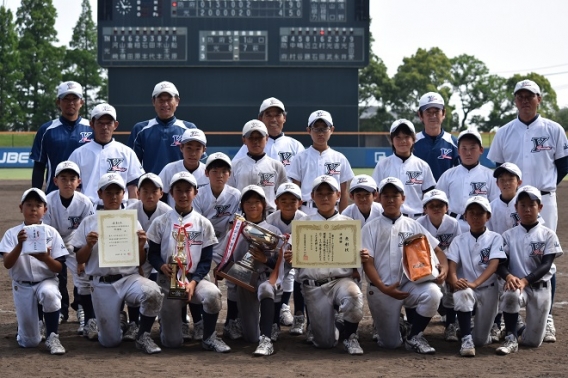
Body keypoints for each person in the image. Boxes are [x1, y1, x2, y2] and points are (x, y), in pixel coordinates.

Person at [487, 79, 568, 342]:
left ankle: (546, 318)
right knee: (505, 252)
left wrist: (538, 196)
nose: (524, 100)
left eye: (529, 96)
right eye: (520, 96)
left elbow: (563, 165)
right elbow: (499, 168)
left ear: (539, 99)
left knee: (544, 256)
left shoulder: (554, 129)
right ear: (514, 100)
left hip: (543, 198)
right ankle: (503, 316)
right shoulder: (505, 131)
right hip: (511, 201)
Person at [72, 174, 163, 354]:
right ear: (100, 194)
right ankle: (116, 318)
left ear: (124, 194)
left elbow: (140, 260)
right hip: (102, 283)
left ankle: (142, 334)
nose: (113, 197)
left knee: (153, 292)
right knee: (110, 342)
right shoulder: (89, 222)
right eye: (109, 192)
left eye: (118, 192)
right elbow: (80, 259)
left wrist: (139, 245)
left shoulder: (130, 221)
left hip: (128, 278)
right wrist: (88, 245)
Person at [361, 177, 448, 354]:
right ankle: (399, 325)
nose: (391, 199)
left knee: (433, 293)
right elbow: (367, 263)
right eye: (386, 195)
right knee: (390, 344)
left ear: (403, 198)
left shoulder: (412, 225)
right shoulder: (370, 227)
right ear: (379, 198)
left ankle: (414, 336)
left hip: (410, 284)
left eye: (395, 195)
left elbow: (438, 251)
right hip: (381, 288)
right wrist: (384, 288)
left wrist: (444, 268)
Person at [147, 171, 231, 352]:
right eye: (179, 190)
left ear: (196, 193)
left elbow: (206, 260)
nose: (183, 195)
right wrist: (161, 266)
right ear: (171, 192)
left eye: (188, 190)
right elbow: (152, 254)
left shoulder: (203, 223)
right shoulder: (160, 222)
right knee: (172, 343)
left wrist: (193, 283)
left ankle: (209, 337)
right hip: (168, 281)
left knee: (213, 295)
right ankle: (169, 324)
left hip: (196, 279)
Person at [295, 175, 365, 355]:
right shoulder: (303, 224)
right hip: (314, 287)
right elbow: (293, 259)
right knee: (325, 343)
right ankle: (337, 322)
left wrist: (360, 257)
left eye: (329, 193)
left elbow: (357, 260)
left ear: (338, 195)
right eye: (320, 193)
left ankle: (350, 336)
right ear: (312, 195)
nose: (325, 198)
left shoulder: (349, 225)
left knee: (353, 295)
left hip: (340, 281)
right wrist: (290, 256)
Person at [214, 185, 285, 356]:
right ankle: (245, 326)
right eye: (248, 202)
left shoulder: (273, 231)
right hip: (243, 281)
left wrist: (266, 259)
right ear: (242, 206)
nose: (252, 205)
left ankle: (267, 338)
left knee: (267, 290)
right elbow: (218, 255)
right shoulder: (235, 231)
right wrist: (225, 270)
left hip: (265, 278)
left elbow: (281, 264)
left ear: (263, 205)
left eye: (256, 202)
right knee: (251, 336)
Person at [495, 186, 563, 355]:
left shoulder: (548, 235)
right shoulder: (508, 235)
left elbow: (546, 265)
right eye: (522, 205)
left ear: (540, 207)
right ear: (516, 208)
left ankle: (521, 329)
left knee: (532, 342)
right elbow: (500, 264)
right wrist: (509, 276)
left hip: (540, 288)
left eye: (531, 205)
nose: (527, 209)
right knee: (510, 295)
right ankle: (510, 336)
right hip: (517, 286)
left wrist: (526, 280)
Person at [0, 188, 68, 354]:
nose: (33, 208)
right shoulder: (12, 234)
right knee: (29, 342)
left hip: (47, 281)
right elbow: (7, 264)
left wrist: (45, 258)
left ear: (45, 209)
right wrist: (19, 245)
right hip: (22, 285)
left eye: (38, 205)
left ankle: (53, 335)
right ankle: (28, 327)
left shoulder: (52, 233)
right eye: (29, 204)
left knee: (51, 294)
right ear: (20, 207)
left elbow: (59, 268)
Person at [446, 196, 505, 357]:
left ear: (488, 216)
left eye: (480, 213)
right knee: (462, 293)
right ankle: (465, 337)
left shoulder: (495, 238)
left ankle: (468, 330)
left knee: (481, 340)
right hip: (467, 287)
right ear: (465, 216)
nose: (476, 217)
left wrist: (475, 283)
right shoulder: (459, 240)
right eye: (471, 213)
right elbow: (451, 266)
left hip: (489, 289)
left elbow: (494, 265)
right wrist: (454, 280)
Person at [42, 161, 95, 335]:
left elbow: (88, 229)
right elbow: (47, 231)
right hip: (54, 239)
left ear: (79, 181)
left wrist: (82, 258)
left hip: (75, 240)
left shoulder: (85, 202)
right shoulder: (48, 200)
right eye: (63, 178)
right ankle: (60, 311)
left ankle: (85, 315)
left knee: (84, 276)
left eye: (72, 178)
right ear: (55, 181)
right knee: (54, 275)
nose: (68, 182)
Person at [124, 173, 172, 341]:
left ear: (161, 193)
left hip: (161, 253)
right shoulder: (129, 212)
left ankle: (173, 317)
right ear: (138, 193)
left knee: (166, 279)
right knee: (133, 275)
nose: (150, 195)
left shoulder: (168, 212)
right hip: (138, 252)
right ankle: (133, 322)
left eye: (154, 191)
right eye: (145, 190)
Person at [68, 103, 144, 207]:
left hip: (120, 210)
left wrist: (133, 211)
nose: (104, 127)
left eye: (109, 123)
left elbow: (133, 186)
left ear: (115, 125)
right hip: (89, 209)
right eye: (100, 123)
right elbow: (75, 188)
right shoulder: (78, 154)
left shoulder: (127, 152)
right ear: (92, 124)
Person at [31, 81, 93, 194]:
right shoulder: (46, 130)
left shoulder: (92, 128)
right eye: (66, 99)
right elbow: (39, 166)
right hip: (53, 195)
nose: (71, 103)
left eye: (75, 99)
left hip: (86, 197)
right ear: (58, 102)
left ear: (82, 102)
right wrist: (36, 194)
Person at [416, 189, 461, 342]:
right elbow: (417, 252)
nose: (436, 208)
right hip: (426, 264)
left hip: (448, 261)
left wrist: (448, 269)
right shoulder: (419, 224)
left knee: (452, 287)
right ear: (425, 209)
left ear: (446, 208)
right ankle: (415, 322)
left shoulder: (453, 223)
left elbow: (457, 247)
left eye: (440, 205)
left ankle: (450, 324)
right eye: (431, 205)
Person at [288, 110, 354, 215]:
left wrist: (342, 216)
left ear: (332, 130)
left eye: (324, 128)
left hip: (333, 210)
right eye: (316, 128)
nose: (320, 133)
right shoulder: (300, 158)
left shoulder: (340, 158)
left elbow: (343, 193)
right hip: (307, 210)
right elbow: (295, 190)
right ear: (308, 130)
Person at [485, 162, 523, 342]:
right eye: (502, 180)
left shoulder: (525, 204)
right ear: (497, 183)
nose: (506, 183)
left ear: (519, 182)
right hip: (499, 257)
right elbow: (488, 235)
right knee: (496, 288)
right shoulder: (491, 207)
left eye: (510, 179)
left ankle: (516, 321)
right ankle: (496, 323)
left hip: (521, 255)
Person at [127, 81, 197, 175]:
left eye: (169, 100)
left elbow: (198, 163)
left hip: (180, 187)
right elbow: (131, 165)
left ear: (177, 101)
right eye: (161, 100)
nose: (165, 104)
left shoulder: (189, 129)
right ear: (153, 101)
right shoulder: (140, 130)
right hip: (151, 187)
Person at [436, 129, 499, 232]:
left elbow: (495, 204)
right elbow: (438, 201)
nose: (468, 153)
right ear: (458, 151)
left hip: (481, 226)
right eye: (464, 148)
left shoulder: (490, 176)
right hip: (453, 225)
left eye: (473, 148)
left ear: (481, 150)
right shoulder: (448, 175)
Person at [372, 119, 436, 219]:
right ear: (391, 140)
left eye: (407, 137)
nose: (403, 141)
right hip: (389, 218)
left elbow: (430, 196)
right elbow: (375, 196)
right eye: (398, 137)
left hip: (417, 218)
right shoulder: (383, 165)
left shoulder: (422, 165)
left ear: (414, 139)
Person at [265, 183, 306, 336]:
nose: (288, 204)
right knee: (275, 279)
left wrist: (296, 255)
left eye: (293, 201)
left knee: (302, 278)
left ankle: (299, 316)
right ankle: (275, 318)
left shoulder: (305, 220)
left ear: (300, 203)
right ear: (276, 202)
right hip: (276, 258)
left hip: (300, 258)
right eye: (284, 200)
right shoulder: (271, 220)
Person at [232, 97, 305, 175]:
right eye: (269, 115)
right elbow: (233, 171)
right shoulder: (251, 146)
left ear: (284, 118)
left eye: (277, 115)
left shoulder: (295, 146)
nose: (273, 119)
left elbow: (304, 174)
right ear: (260, 119)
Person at [228, 120, 287, 214]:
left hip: (269, 217)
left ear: (267, 138)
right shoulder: (234, 166)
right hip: (241, 216)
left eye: (259, 137)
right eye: (251, 138)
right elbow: (229, 195)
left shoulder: (276, 166)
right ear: (244, 140)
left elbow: (283, 196)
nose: (255, 141)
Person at [193, 152, 241, 239]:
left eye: (224, 171)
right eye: (215, 171)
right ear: (207, 173)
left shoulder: (235, 195)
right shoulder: (198, 194)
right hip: (202, 239)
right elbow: (196, 224)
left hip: (224, 240)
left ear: (229, 174)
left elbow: (233, 225)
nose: (220, 175)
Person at [414, 92, 459, 181]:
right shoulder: (412, 143)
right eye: (428, 112)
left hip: (446, 194)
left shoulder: (454, 143)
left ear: (443, 113)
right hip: (419, 194)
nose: (433, 116)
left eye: (436, 111)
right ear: (420, 115)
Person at [159, 128, 209, 209]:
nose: (193, 153)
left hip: (200, 218)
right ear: (181, 147)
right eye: (189, 148)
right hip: (173, 218)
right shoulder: (169, 169)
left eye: (198, 149)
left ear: (204, 150)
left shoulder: (209, 172)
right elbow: (159, 195)